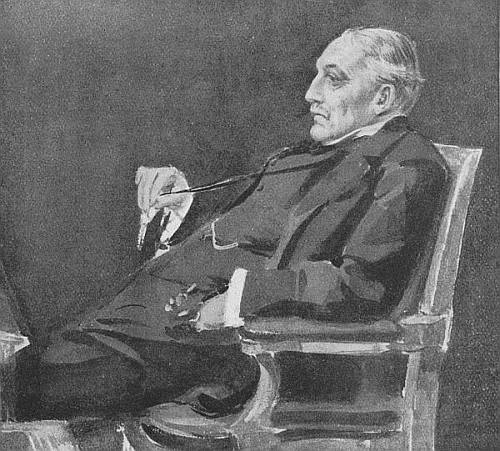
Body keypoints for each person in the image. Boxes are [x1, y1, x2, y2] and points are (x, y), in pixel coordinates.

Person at [39, 27, 448, 420]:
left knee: (30, 383)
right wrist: (183, 206)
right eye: (317, 75)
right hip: (141, 331)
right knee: (32, 362)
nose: (311, 93)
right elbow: (241, 232)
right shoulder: (296, 157)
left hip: (235, 355)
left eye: (333, 79)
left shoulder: (408, 165)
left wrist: (236, 302)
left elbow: (362, 286)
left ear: (382, 97)